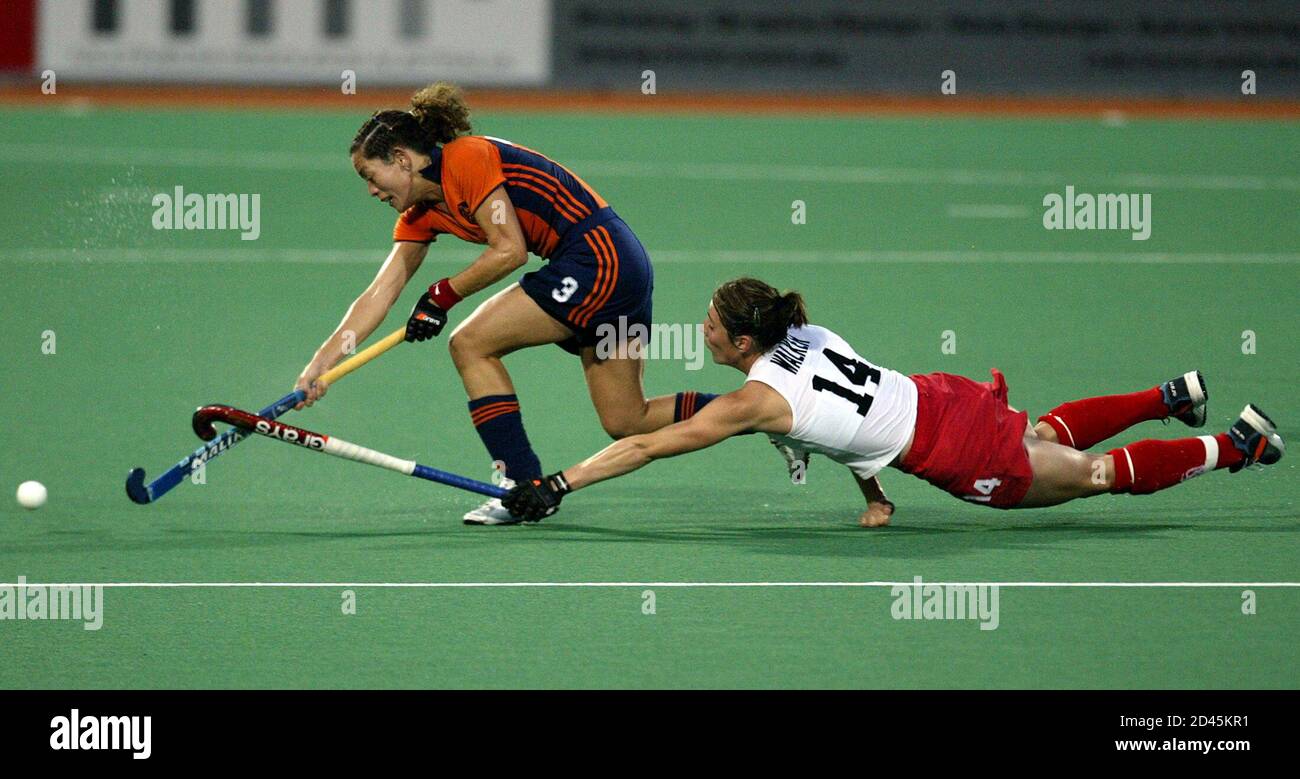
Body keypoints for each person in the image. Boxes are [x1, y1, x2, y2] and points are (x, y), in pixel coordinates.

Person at [502, 277, 1285, 524]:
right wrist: (875, 495)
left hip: (951, 450)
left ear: (744, 343)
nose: (700, 330)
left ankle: (1234, 445)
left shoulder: (753, 401)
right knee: (1041, 429)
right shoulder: (806, 334)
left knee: (1087, 474)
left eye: (710, 325)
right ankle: (1166, 396)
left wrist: (561, 481)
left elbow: (642, 444)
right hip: (942, 397)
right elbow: (845, 425)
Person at [293, 82, 717, 524]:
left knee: (470, 343)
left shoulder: (467, 158)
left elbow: (509, 249)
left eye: (370, 176)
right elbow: (380, 294)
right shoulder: (420, 214)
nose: (371, 191)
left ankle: (520, 484)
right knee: (627, 419)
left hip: (597, 257)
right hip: (615, 265)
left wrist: (441, 296)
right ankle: (760, 408)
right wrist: (320, 364)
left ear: (401, 159)